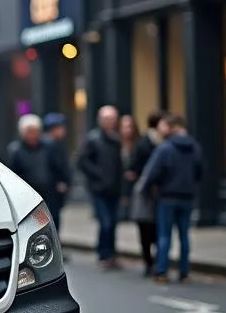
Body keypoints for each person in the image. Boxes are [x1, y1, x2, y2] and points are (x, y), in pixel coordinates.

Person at [139, 114, 204, 283]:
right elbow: (200, 172)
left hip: (167, 196)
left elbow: (151, 173)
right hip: (187, 197)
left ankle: (162, 271)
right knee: (184, 235)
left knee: (164, 235)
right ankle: (184, 272)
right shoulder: (195, 147)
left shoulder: (165, 148)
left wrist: (146, 191)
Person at [78, 105, 124, 269]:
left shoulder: (116, 140)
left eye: (113, 119)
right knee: (106, 222)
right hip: (99, 189)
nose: (111, 122)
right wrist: (99, 175)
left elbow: (119, 166)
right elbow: (82, 162)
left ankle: (110, 253)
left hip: (114, 189)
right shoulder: (93, 139)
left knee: (113, 222)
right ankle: (103, 254)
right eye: (107, 119)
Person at [126, 111, 169, 276]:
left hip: (160, 192)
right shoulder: (145, 143)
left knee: (158, 228)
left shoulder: (165, 143)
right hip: (146, 192)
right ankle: (149, 261)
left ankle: (156, 261)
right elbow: (133, 167)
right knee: (146, 227)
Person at [7, 114, 58, 203]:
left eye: (35, 131)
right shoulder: (15, 150)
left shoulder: (49, 147)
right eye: (29, 131)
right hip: (26, 192)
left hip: (48, 192)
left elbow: (58, 166)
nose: (32, 135)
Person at [42, 112, 72, 238]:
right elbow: (57, 166)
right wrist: (61, 181)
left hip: (52, 187)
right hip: (52, 188)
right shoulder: (50, 144)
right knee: (53, 217)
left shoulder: (53, 143)